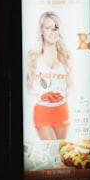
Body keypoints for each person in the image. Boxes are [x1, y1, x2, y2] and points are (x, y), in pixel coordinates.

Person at [25, 11, 72, 140]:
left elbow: (71, 86)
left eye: (55, 28)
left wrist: (62, 93)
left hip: (62, 109)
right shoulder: (33, 56)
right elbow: (28, 88)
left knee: (62, 153)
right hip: (42, 111)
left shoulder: (66, 56)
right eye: (48, 28)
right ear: (41, 31)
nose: (52, 32)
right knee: (51, 151)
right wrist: (43, 93)